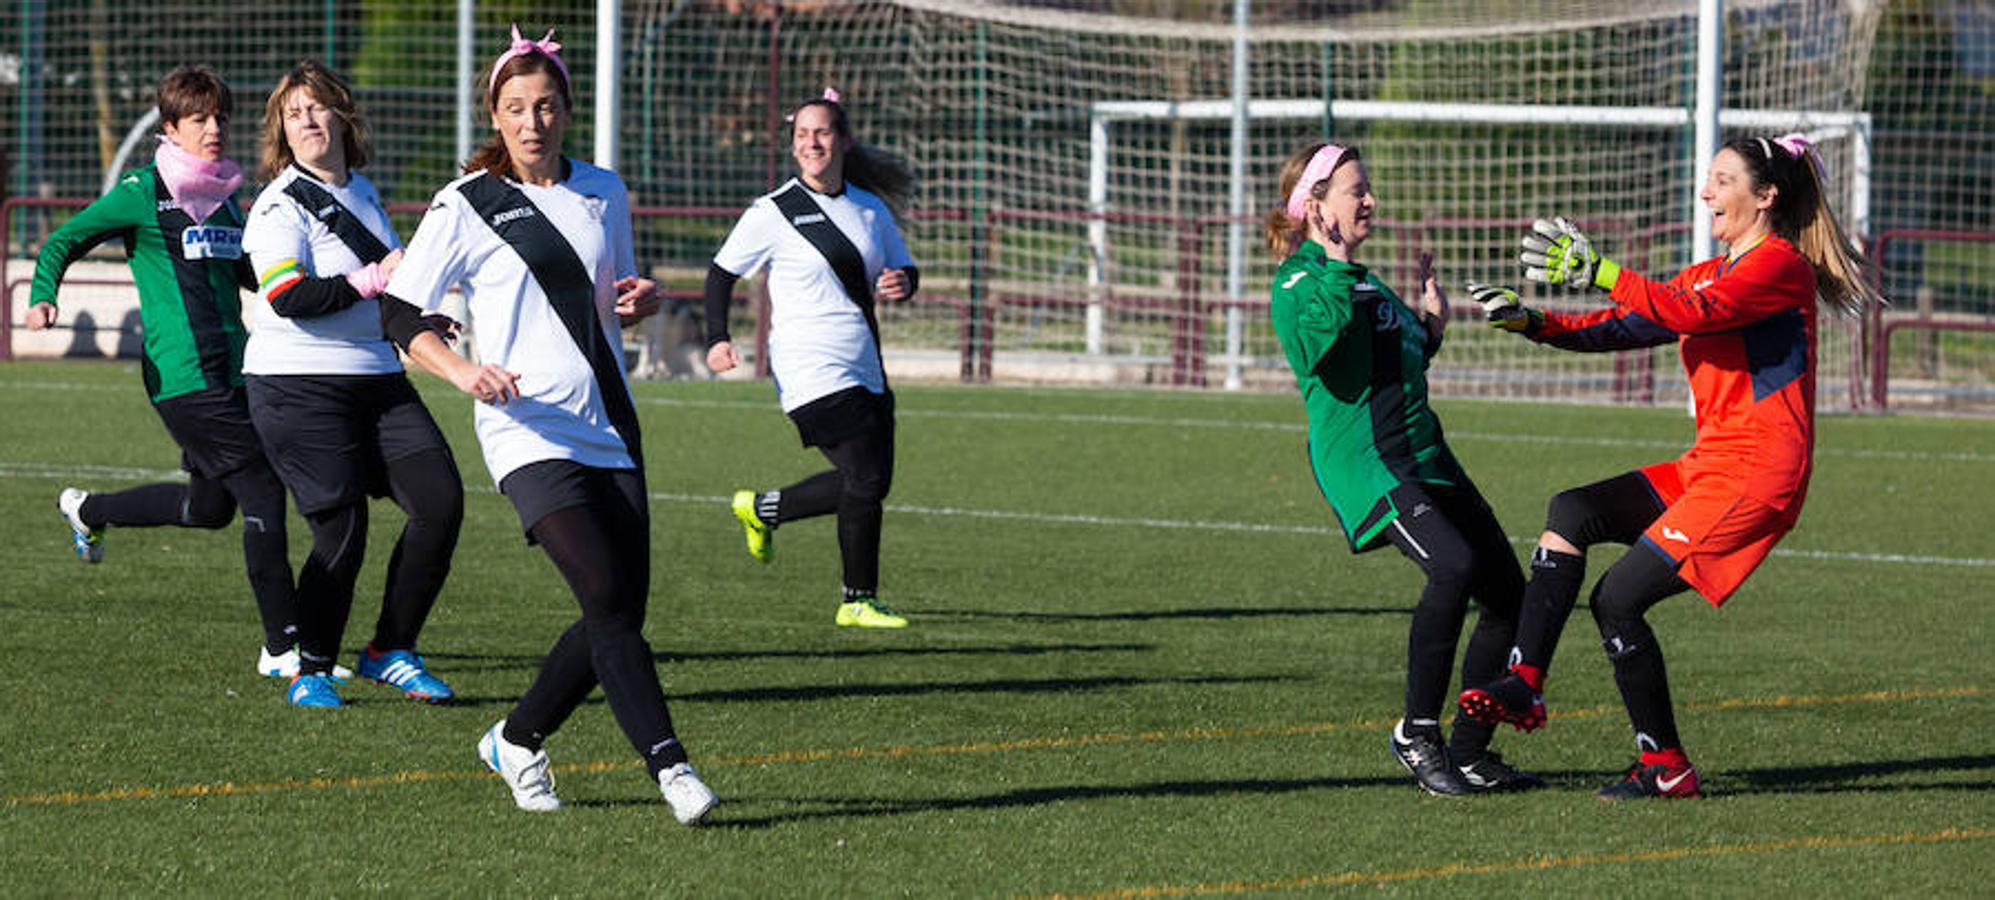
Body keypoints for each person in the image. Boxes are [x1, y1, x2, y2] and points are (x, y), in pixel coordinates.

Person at [1457, 133, 1880, 800]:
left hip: (1757, 476)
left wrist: (1599, 268)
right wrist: (1535, 322)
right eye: (1708, 179)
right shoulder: (1709, 271)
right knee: (1572, 510)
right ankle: (1525, 683)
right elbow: (1620, 326)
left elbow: (1691, 313)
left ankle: (1666, 769)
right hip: (1710, 466)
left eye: (1721, 180)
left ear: (1765, 196)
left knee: (1617, 599)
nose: (1705, 192)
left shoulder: (1779, 267)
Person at [380, 26, 715, 822]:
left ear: (566, 112)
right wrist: (463, 371)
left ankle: (518, 738)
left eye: (546, 106)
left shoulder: (604, 190)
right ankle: (671, 768)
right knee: (602, 593)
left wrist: (638, 301)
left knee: (616, 613)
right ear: (493, 117)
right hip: (526, 430)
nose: (532, 122)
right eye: (515, 108)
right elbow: (399, 313)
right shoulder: (465, 205)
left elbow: (610, 301)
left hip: (612, 425)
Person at [25, 65, 323, 682]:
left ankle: (89, 510)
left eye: (219, 118)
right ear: (170, 128)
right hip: (182, 377)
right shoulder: (141, 190)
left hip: (238, 370)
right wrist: (43, 293)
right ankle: (283, 646)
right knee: (264, 491)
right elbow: (62, 241)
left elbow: (248, 275)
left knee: (210, 508)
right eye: (198, 120)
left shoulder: (225, 194)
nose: (213, 130)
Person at [1265, 142, 1538, 796]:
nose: (1370, 201)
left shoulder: (1363, 280)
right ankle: (1417, 733)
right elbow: (1321, 346)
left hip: (1424, 457)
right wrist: (1331, 259)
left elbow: (1400, 362)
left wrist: (1430, 328)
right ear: (1314, 206)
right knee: (1452, 566)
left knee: (1507, 593)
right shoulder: (1299, 281)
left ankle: (1469, 750)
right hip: (1368, 463)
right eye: (1355, 190)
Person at [241, 60, 464, 708]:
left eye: (316, 107)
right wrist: (371, 280)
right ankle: (310, 668)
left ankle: (390, 650)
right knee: (342, 529)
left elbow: (391, 288)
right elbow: (285, 295)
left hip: (376, 377)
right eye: (293, 112)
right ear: (282, 130)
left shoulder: (363, 191)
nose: (307, 120)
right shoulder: (280, 203)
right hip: (296, 386)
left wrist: (418, 316)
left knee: (440, 501)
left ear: (342, 114)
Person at [705, 88, 918, 630]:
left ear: (843, 140)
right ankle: (856, 601)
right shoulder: (774, 211)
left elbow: (903, 270)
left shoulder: (869, 210)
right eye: (802, 134)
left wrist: (902, 282)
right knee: (864, 479)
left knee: (870, 483)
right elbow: (721, 273)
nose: (811, 142)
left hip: (866, 362)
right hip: (807, 367)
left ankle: (764, 511)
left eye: (821, 132)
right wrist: (717, 336)